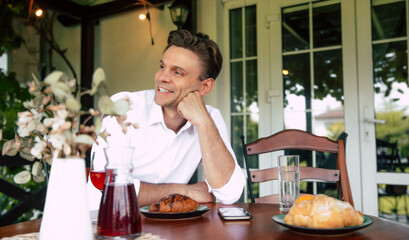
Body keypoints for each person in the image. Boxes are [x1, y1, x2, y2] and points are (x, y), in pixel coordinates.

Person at [87, 29, 245, 209]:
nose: (162, 77)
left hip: (164, 229)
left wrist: (204, 123)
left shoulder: (210, 118)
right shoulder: (124, 106)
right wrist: (184, 191)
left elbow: (230, 193)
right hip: (101, 223)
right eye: (162, 67)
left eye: (177, 72)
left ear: (205, 86)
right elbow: (110, 186)